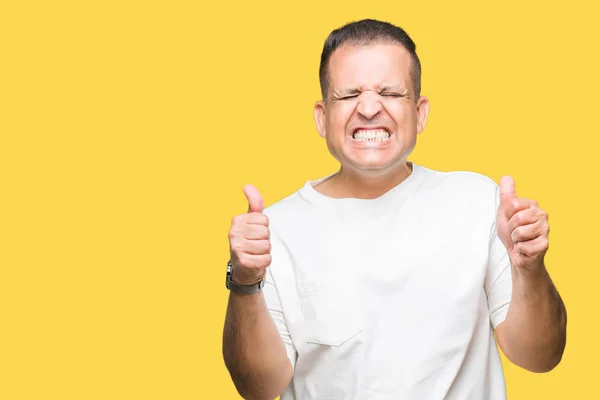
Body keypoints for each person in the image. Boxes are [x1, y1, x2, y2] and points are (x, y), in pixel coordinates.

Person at [222, 19, 567, 400]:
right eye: (350, 94)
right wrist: (244, 283)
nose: (369, 108)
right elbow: (257, 388)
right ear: (322, 117)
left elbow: (540, 357)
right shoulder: (276, 231)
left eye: (390, 92)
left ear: (420, 112)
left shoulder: (478, 202)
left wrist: (530, 269)